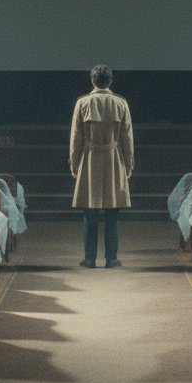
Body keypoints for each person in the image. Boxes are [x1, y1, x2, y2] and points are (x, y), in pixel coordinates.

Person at [69, 65, 134, 268]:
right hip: (114, 158)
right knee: (112, 212)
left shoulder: (83, 103)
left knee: (90, 211)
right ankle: (111, 259)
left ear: (92, 81)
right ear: (110, 81)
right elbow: (127, 137)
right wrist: (128, 163)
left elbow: (75, 136)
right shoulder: (121, 103)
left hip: (90, 158)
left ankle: (89, 259)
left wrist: (74, 161)